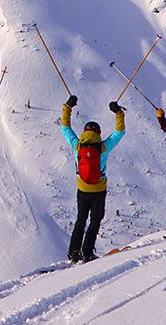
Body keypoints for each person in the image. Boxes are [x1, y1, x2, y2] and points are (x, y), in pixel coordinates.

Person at [61, 95, 125, 262]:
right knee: (95, 221)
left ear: (84, 132)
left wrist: (68, 106)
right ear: (98, 133)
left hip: (82, 189)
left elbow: (65, 128)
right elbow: (120, 132)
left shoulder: (78, 145)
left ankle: (73, 253)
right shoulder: (103, 147)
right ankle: (87, 252)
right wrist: (118, 112)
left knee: (80, 220)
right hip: (99, 190)